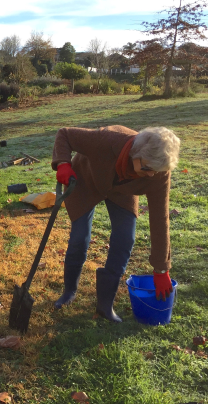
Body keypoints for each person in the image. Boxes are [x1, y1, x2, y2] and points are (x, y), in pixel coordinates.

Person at [52, 125, 180, 322]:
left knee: (125, 239)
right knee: (79, 237)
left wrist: (161, 269)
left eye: (156, 170)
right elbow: (64, 134)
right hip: (86, 181)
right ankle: (69, 292)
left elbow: (160, 218)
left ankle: (105, 305)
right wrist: (62, 163)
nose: (151, 175)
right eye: (147, 168)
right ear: (135, 154)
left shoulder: (158, 171)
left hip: (122, 192)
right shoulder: (106, 139)